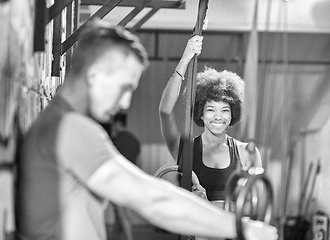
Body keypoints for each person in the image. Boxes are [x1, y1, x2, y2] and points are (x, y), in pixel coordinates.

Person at [15, 22, 276, 240]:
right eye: (124, 88)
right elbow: (152, 200)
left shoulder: (57, 123)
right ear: (95, 75)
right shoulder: (71, 129)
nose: (125, 103)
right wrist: (241, 229)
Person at [159, 35, 262, 206]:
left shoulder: (247, 153)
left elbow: (257, 205)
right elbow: (165, 111)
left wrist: (208, 203)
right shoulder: (186, 151)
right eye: (211, 109)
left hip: (231, 232)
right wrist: (185, 58)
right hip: (195, 232)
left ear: (233, 114)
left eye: (225, 110)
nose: (218, 116)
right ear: (200, 113)